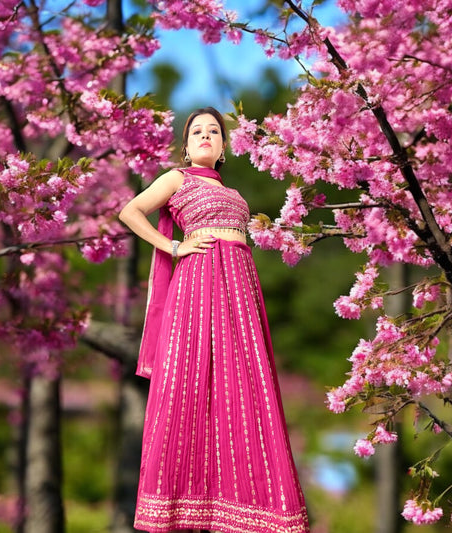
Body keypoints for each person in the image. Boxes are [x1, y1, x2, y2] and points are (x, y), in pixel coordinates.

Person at [119, 107, 310, 533]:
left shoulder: (238, 194)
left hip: (239, 296)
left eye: (214, 131)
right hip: (197, 288)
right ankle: (181, 504)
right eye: (196, 132)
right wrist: (171, 246)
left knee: (241, 389)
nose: (205, 135)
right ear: (186, 147)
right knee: (191, 384)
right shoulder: (177, 179)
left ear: (224, 147)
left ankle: (242, 503)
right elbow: (130, 212)